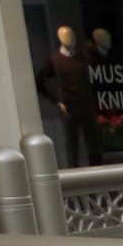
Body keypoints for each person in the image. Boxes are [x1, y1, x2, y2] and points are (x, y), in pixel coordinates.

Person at [36, 25, 102, 167]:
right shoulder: (54, 60)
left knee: (93, 140)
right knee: (72, 142)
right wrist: (57, 102)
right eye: (66, 36)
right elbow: (40, 82)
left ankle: (98, 171)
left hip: (86, 104)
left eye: (72, 35)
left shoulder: (82, 57)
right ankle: (74, 172)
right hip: (69, 105)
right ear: (60, 38)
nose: (70, 39)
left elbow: (96, 76)